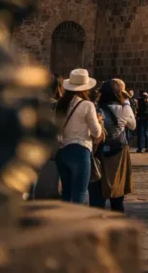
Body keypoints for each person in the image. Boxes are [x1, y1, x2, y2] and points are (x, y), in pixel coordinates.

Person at [55, 68, 103, 204]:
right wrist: (99, 122)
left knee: (66, 193)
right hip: (80, 152)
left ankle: (63, 223)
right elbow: (97, 132)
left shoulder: (61, 104)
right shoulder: (87, 105)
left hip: (62, 152)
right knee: (79, 195)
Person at [89, 79, 136, 212]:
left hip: (98, 152)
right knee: (117, 191)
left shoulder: (94, 108)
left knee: (97, 193)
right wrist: (126, 100)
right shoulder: (123, 109)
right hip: (118, 153)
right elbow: (133, 125)